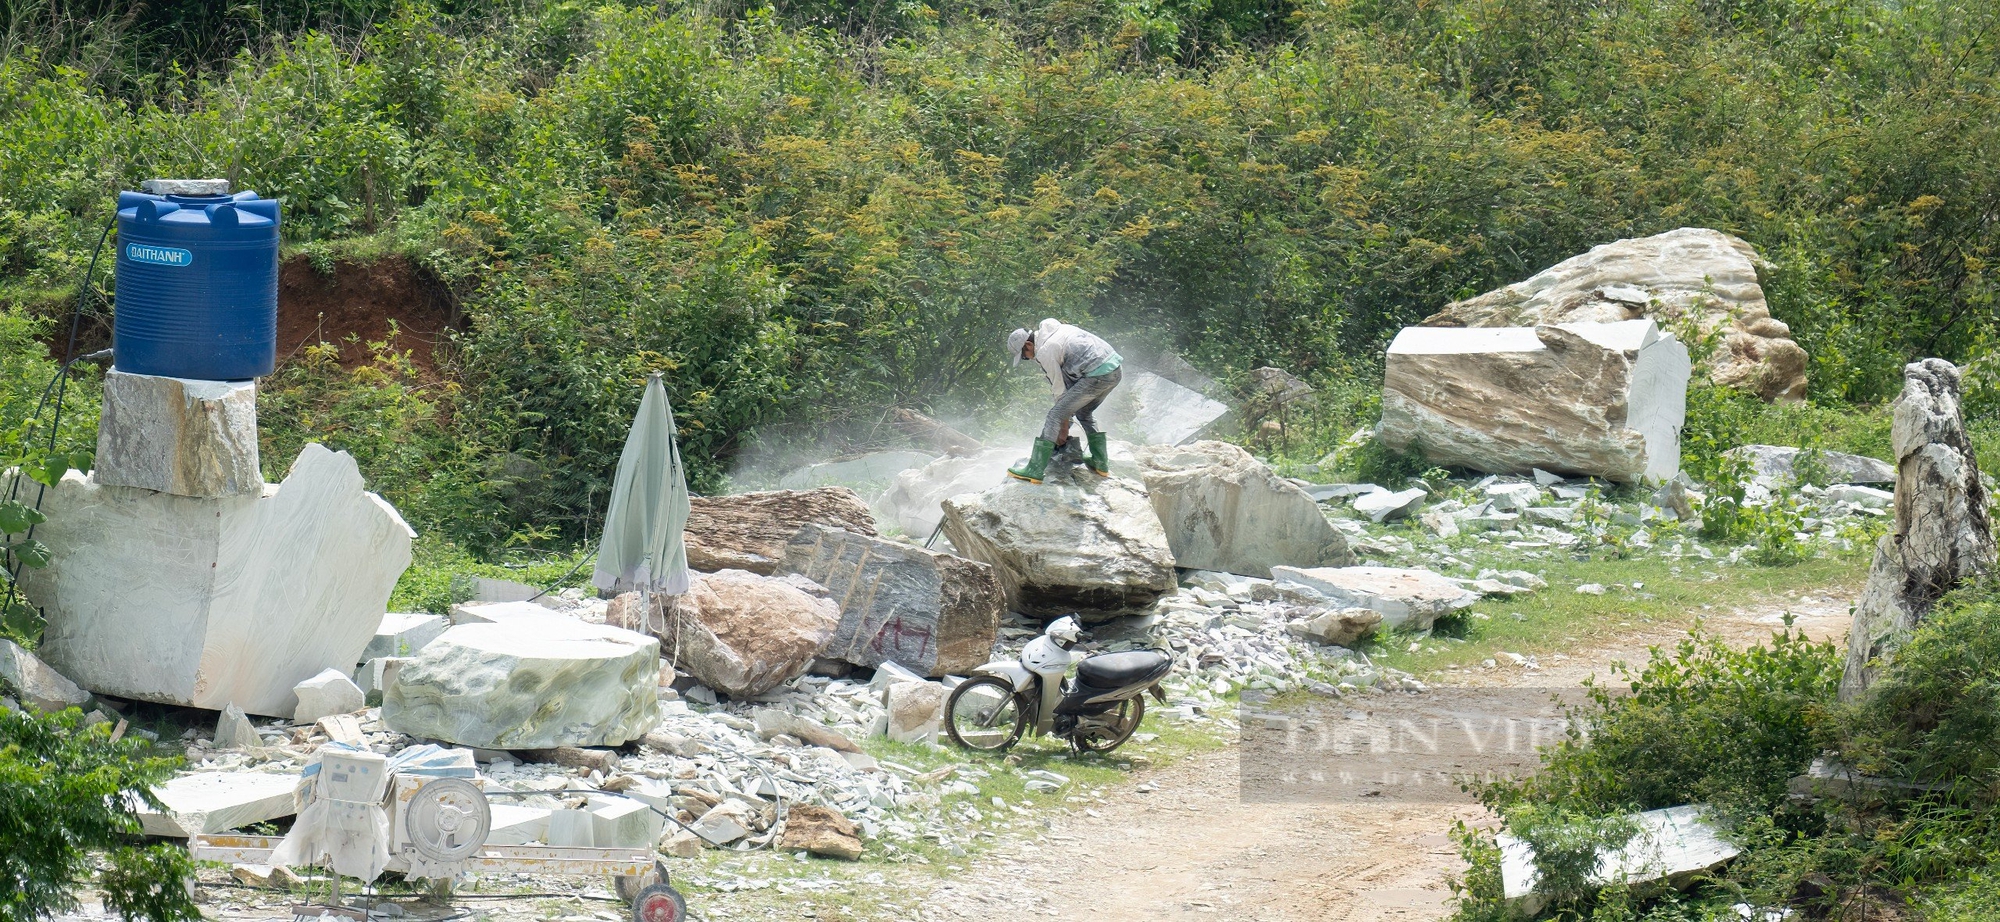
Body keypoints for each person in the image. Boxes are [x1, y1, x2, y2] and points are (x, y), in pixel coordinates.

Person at [1004, 318, 1123, 483]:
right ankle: (1100, 462)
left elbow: (1059, 390)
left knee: (1055, 415)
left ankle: (1035, 469)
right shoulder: (1059, 331)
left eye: (1024, 356)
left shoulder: (1045, 350)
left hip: (1097, 375)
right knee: (1085, 412)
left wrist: (1063, 428)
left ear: (1029, 345)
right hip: (1114, 371)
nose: (1028, 359)